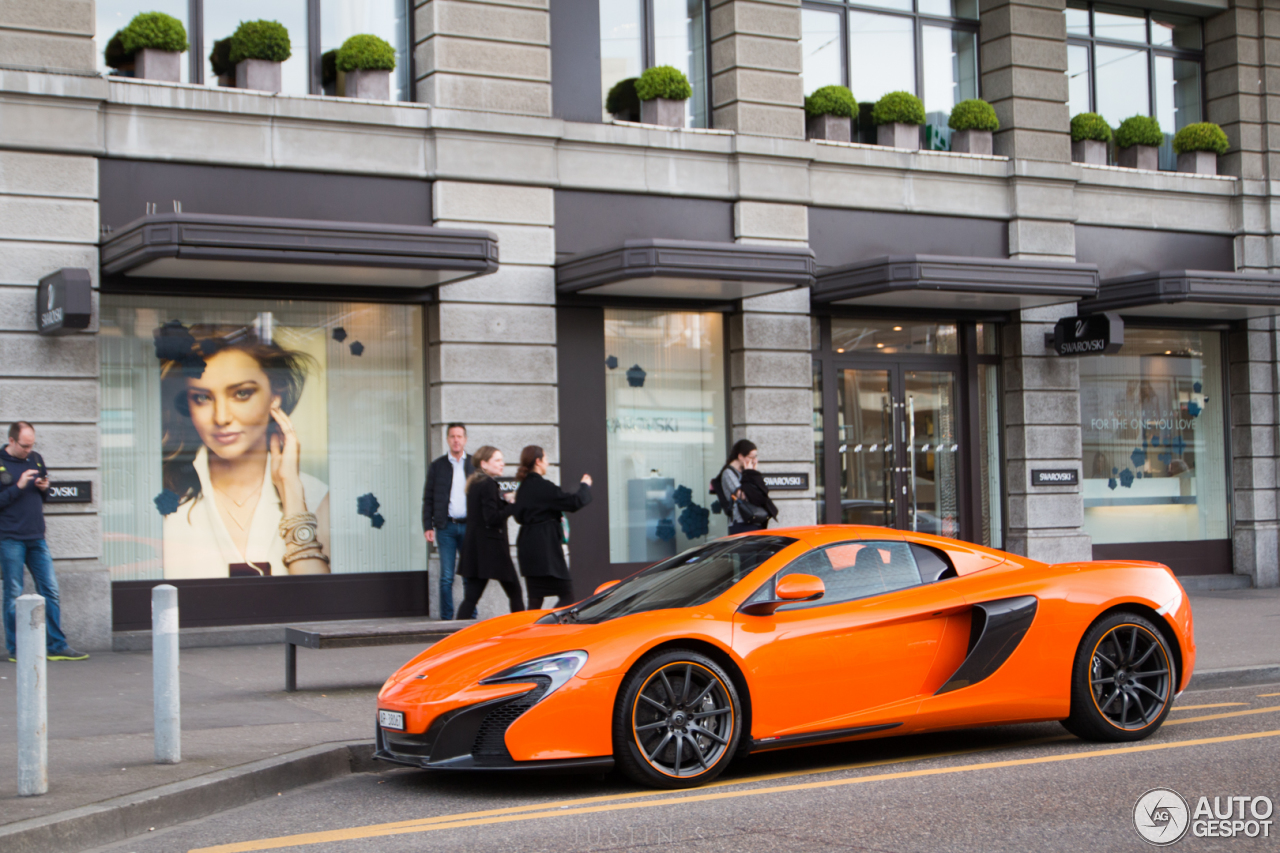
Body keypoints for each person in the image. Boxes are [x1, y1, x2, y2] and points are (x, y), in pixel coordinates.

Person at [157, 324, 330, 579]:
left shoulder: (315, 498)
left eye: (241, 393)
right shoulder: (165, 497)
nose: (222, 417)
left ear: (274, 397)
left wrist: (291, 491)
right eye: (202, 398)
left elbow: (320, 603)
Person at [1, 422, 88, 662]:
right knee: (13, 594)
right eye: (24, 446)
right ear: (11, 441)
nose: (29, 450)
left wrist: (44, 488)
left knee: (50, 590)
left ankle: (56, 646)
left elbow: (43, 497)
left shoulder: (36, 458)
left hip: (36, 537)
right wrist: (18, 486)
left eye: (32, 445)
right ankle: (17, 649)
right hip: (10, 538)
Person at [513, 445, 592, 610]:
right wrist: (584, 486)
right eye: (546, 459)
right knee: (567, 596)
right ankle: (548, 626)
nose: (547, 463)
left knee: (535, 600)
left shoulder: (523, 487)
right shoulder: (543, 487)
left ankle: (531, 633)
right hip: (545, 550)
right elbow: (573, 502)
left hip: (527, 548)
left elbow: (518, 516)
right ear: (538, 461)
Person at [455, 446, 524, 620]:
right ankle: (525, 630)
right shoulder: (488, 484)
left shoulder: (476, 483)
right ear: (484, 464)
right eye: (497, 460)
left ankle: (452, 633)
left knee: (471, 597)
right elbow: (492, 518)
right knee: (515, 592)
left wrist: (504, 502)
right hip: (493, 550)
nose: (502, 463)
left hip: (479, 549)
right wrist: (513, 505)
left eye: (502, 460)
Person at [422, 423, 472, 620]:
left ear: (465, 439)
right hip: (446, 527)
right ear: (447, 439)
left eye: (459, 436)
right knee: (446, 577)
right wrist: (428, 525)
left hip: (469, 527)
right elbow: (428, 498)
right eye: (452, 436)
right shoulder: (438, 465)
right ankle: (446, 619)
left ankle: (469, 618)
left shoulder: (474, 464)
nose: (456, 440)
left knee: (469, 576)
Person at [717, 439, 776, 535]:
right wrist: (749, 474)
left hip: (756, 519)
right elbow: (743, 495)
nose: (755, 461)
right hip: (741, 521)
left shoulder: (746, 471)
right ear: (740, 456)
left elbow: (761, 492)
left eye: (755, 457)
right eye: (751, 457)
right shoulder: (728, 473)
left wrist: (753, 474)